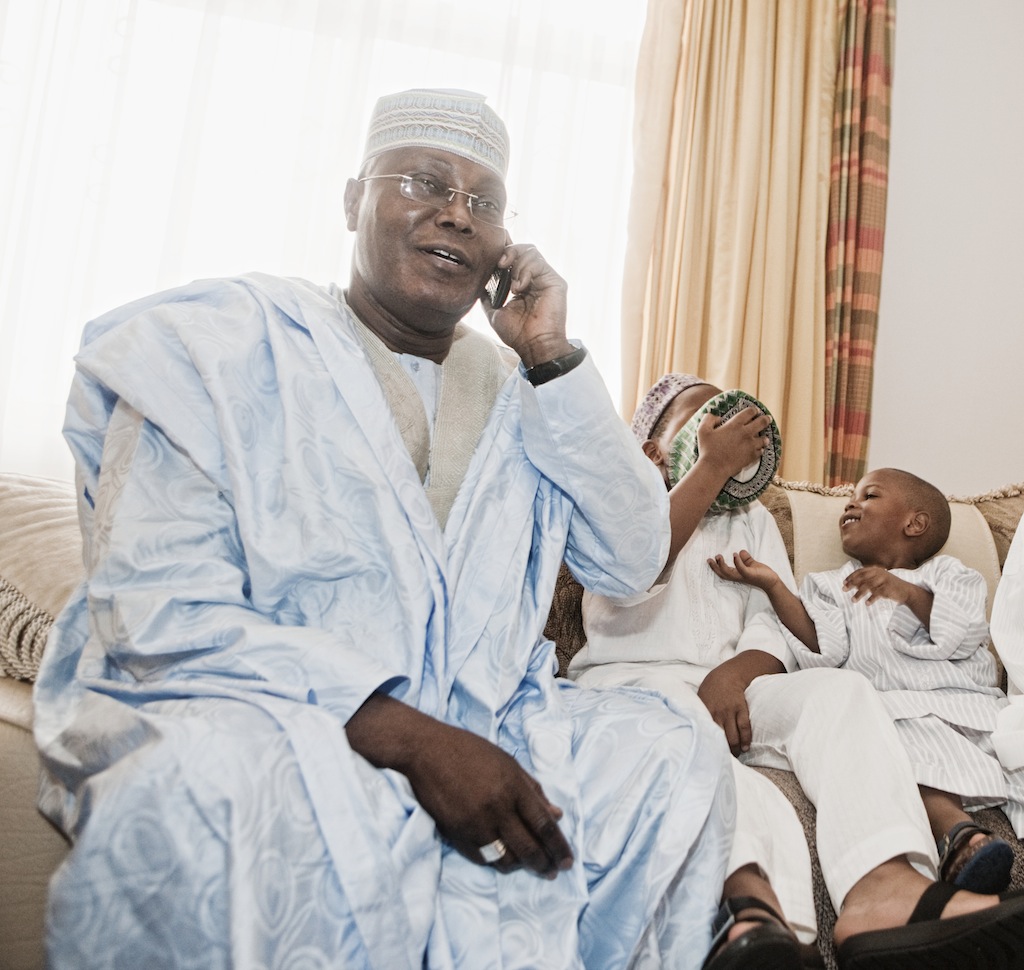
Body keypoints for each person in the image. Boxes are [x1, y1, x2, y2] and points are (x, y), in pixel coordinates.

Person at [32, 89, 736, 970]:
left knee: (670, 751)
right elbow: (158, 605)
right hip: (273, 712)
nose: (455, 211)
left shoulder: (531, 395)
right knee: (206, 787)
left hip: (489, 721)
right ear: (353, 199)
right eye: (425, 181)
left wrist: (552, 355)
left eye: (485, 202)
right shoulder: (224, 342)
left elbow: (630, 559)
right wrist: (410, 738)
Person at [572, 376, 1024, 970]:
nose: (725, 424)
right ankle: (745, 911)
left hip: (737, 685)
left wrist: (734, 673)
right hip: (637, 680)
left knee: (843, 691)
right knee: (682, 729)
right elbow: (631, 575)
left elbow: (773, 623)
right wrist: (705, 470)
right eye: (702, 414)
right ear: (656, 440)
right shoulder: (624, 492)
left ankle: (883, 891)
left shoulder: (752, 517)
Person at [711, 467, 1024, 896]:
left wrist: (908, 593)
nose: (850, 503)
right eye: (851, 498)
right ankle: (962, 837)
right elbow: (824, 647)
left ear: (914, 524)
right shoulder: (829, 586)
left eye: (869, 495)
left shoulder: (951, 575)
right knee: (899, 756)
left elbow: (966, 630)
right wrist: (773, 585)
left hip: (963, 706)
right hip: (890, 711)